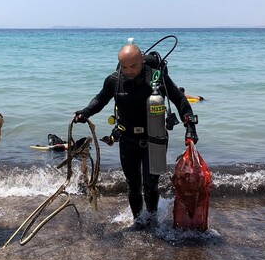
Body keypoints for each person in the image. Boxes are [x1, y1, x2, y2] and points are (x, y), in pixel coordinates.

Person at [73, 43, 198, 230]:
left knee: (150, 185)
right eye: (124, 67)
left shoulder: (157, 78)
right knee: (132, 185)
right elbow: (100, 99)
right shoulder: (114, 80)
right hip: (127, 139)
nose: (128, 71)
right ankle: (138, 221)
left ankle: (153, 220)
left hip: (154, 139)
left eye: (133, 66)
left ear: (141, 61)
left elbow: (179, 99)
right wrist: (85, 113)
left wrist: (190, 126)